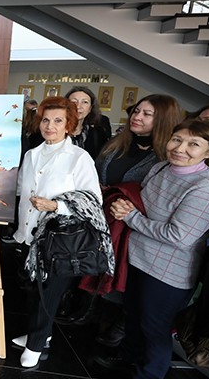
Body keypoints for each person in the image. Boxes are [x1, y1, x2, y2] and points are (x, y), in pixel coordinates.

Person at [100, 119, 209, 379]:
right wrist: (124, 205)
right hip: (137, 258)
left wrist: (130, 217)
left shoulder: (205, 187)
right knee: (132, 316)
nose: (180, 148)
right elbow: (142, 203)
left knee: (154, 328)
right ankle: (128, 361)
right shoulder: (161, 167)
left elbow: (179, 236)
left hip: (168, 273)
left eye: (193, 144)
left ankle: (149, 374)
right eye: (177, 139)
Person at [74, 95, 183, 340]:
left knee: (121, 273)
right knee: (94, 262)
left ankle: (118, 323)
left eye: (147, 114)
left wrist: (126, 202)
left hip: (132, 225)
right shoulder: (117, 143)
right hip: (100, 214)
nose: (137, 117)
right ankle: (88, 309)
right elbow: (94, 172)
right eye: (136, 111)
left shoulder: (165, 158)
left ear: (164, 120)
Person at [10, 96, 103, 369]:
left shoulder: (79, 158)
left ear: (69, 125)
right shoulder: (32, 154)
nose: (50, 126)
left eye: (58, 121)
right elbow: (19, 188)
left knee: (49, 293)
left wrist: (56, 206)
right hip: (30, 233)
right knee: (34, 289)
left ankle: (37, 344)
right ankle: (40, 335)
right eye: (46, 120)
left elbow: (93, 201)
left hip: (61, 239)